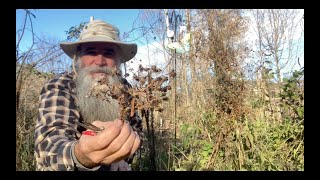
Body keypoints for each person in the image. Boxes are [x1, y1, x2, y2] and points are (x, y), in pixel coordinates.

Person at [34, 18, 142, 171]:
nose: (99, 61)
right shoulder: (61, 86)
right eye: (91, 52)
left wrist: (123, 154)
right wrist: (80, 155)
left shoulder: (125, 89)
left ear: (119, 60)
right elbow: (49, 146)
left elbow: (137, 132)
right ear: (77, 58)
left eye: (109, 53)